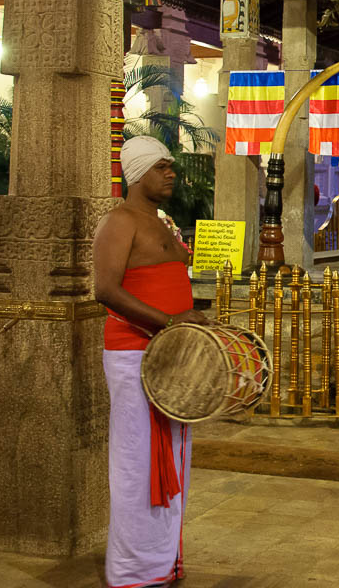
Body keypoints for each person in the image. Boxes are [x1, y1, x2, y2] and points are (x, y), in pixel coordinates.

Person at [94, 136, 209, 588]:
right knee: (137, 459)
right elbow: (105, 290)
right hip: (134, 353)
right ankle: (133, 570)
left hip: (169, 353)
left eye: (171, 167)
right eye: (162, 167)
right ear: (138, 173)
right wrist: (169, 321)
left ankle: (161, 563)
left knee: (174, 455)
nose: (171, 174)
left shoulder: (161, 221)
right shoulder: (119, 222)